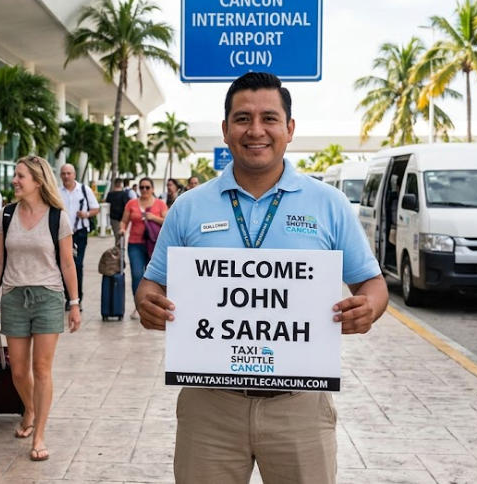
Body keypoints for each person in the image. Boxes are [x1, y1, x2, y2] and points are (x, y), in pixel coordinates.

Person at [135, 72, 388, 483]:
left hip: (300, 406)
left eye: (269, 118)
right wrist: (147, 302)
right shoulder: (188, 207)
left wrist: (368, 309)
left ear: (289, 129)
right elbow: (153, 283)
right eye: (242, 119)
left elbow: (372, 284)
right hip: (210, 406)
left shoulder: (330, 205)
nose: (256, 130)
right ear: (225, 129)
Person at [0, 155, 81, 463]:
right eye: (15, 175)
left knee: (41, 369)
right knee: (19, 370)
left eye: (20, 176)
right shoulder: (6, 215)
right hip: (13, 297)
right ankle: (30, 409)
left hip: (48, 297)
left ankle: (38, 434)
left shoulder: (56, 217)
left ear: (37, 181)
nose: (15, 180)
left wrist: (74, 303)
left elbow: (67, 262)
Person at [118, 177, 166, 320]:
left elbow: (167, 222)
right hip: (135, 244)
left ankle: (154, 306)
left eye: (147, 187)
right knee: (137, 275)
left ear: (152, 189)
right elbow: (124, 221)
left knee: (154, 277)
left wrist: (153, 218)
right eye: (142, 187)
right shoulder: (131, 203)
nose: (144, 190)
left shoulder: (160, 204)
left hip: (154, 245)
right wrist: (121, 230)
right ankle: (139, 306)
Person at [58, 163, 99, 307]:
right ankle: (69, 298)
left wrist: (86, 214)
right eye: (63, 173)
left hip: (79, 233)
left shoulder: (84, 190)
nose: (66, 176)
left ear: (74, 174)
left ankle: (77, 299)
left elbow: (96, 208)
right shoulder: (57, 192)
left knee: (77, 265)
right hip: (62, 234)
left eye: (69, 173)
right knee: (63, 265)